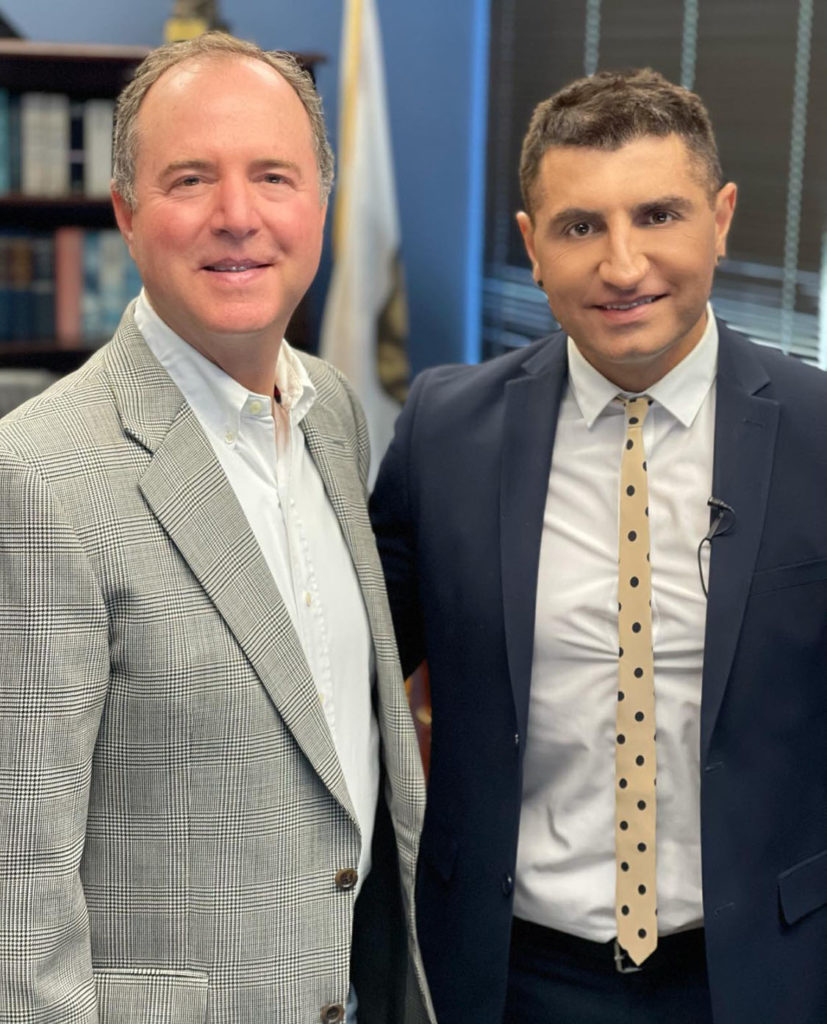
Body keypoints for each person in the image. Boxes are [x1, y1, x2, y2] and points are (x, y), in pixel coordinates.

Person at [370, 68, 827, 1024]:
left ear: (722, 216)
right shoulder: (445, 431)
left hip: (762, 976)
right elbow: (349, 687)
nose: (623, 267)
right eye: (580, 227)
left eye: (658, 215)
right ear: (532, 246)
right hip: (504, 977)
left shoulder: (818, 430)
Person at [0, 32, 434, 1024]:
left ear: (320, 202)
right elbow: (17, 894)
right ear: (125, 210)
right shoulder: (35, 477)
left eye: (273, 175)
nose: (237, 217)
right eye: (190, 178)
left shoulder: (330, 407)